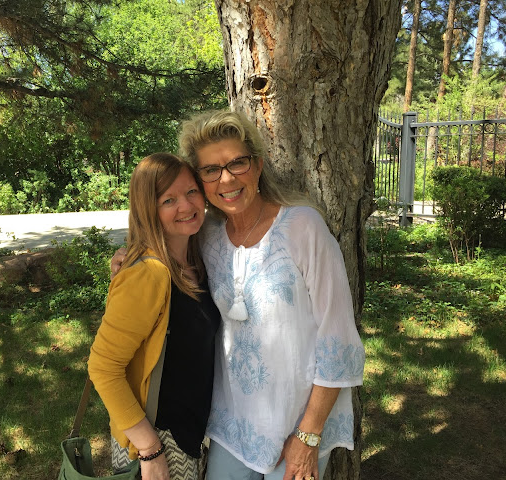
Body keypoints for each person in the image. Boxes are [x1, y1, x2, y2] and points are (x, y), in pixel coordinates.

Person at [112, 111, 365, 480]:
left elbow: (338, 338)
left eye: (237, 163)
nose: (227, 178)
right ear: (200, 181)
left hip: (299, 422)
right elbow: (162, 253)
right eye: (211, 170)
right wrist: (127, 260)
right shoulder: (206, 235)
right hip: (232, 427)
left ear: (258, 165)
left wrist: (308, 435)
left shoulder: (303, 227)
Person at [88, 153, 221, 480]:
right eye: (168, 200)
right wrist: (149, 449)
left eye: (191, 191)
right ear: (148, 209)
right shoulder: (149, 273)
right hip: (158, 442)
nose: (186, 205)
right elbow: (103, 368)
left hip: (188, 434)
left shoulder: (192, 259)